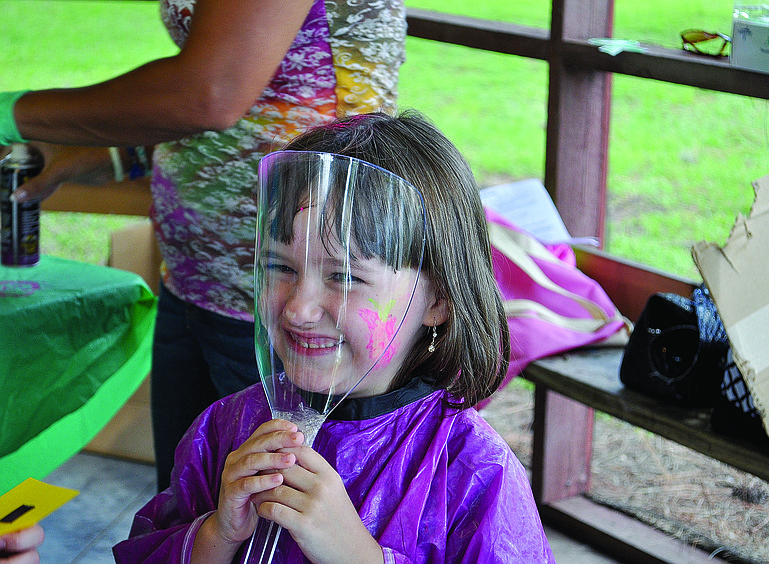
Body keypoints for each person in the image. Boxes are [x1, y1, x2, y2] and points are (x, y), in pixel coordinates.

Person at [111, 111, 556, 563]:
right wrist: (216, 536)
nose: (298, 308)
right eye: (280, 267)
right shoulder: (224, 430)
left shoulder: (473, 475)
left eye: (344, 277)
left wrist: (358, 556)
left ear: (439, 298)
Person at [1, 0, 407, 491]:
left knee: (266, 521)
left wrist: (10, 113)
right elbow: (257, 97)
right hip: (194, 282)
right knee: (182, 511)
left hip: (294, 307)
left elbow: (211, 93)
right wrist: (114, 155)